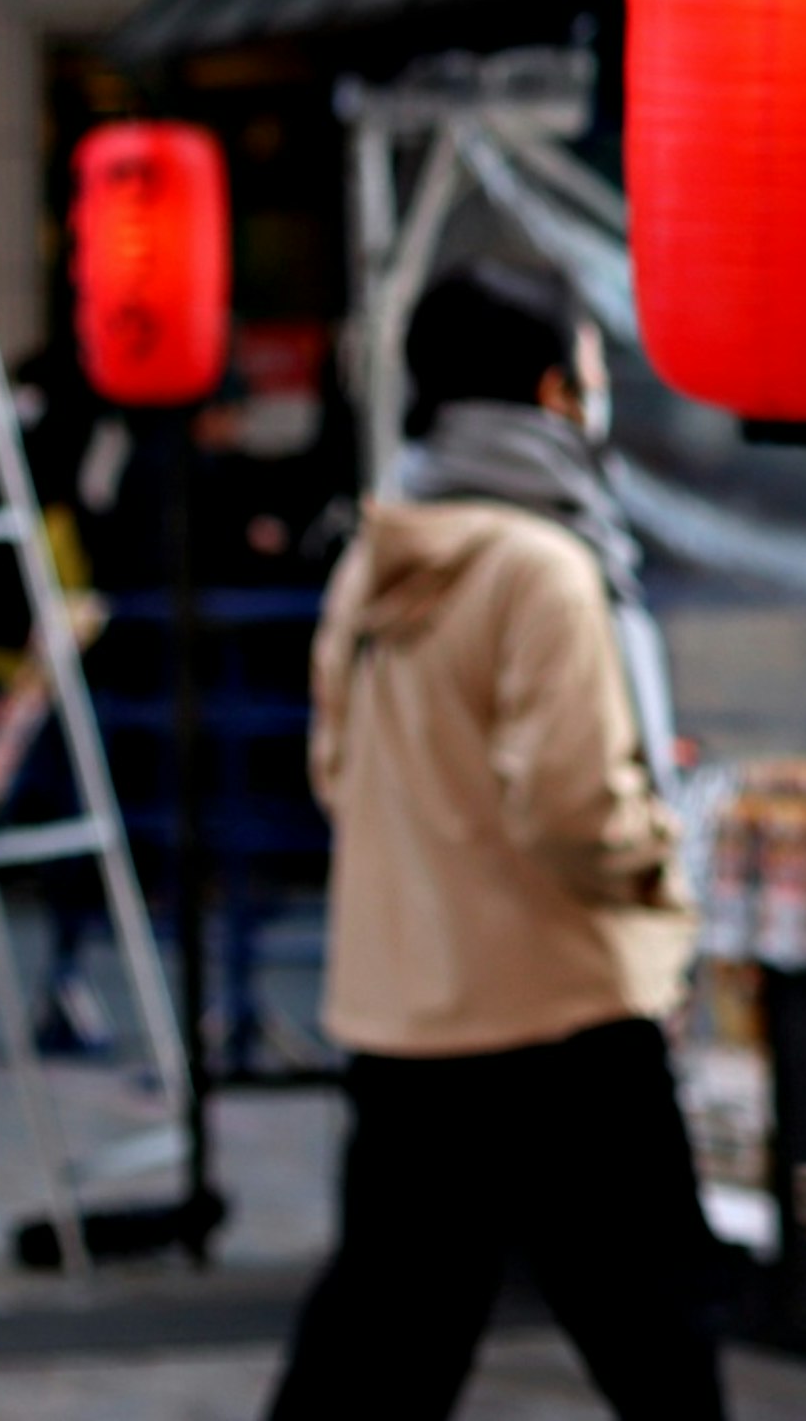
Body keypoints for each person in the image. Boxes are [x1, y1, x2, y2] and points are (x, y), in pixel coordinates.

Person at [267, 262, 724, 1421]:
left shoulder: (380, 551)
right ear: (550, 392)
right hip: (561, 1014)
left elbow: (336, 772)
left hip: (407, 1012)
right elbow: (574, 812)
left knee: (383, 1340)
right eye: (585, 367)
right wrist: (662, 858)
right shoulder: (548, 567)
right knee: (658, 1339)